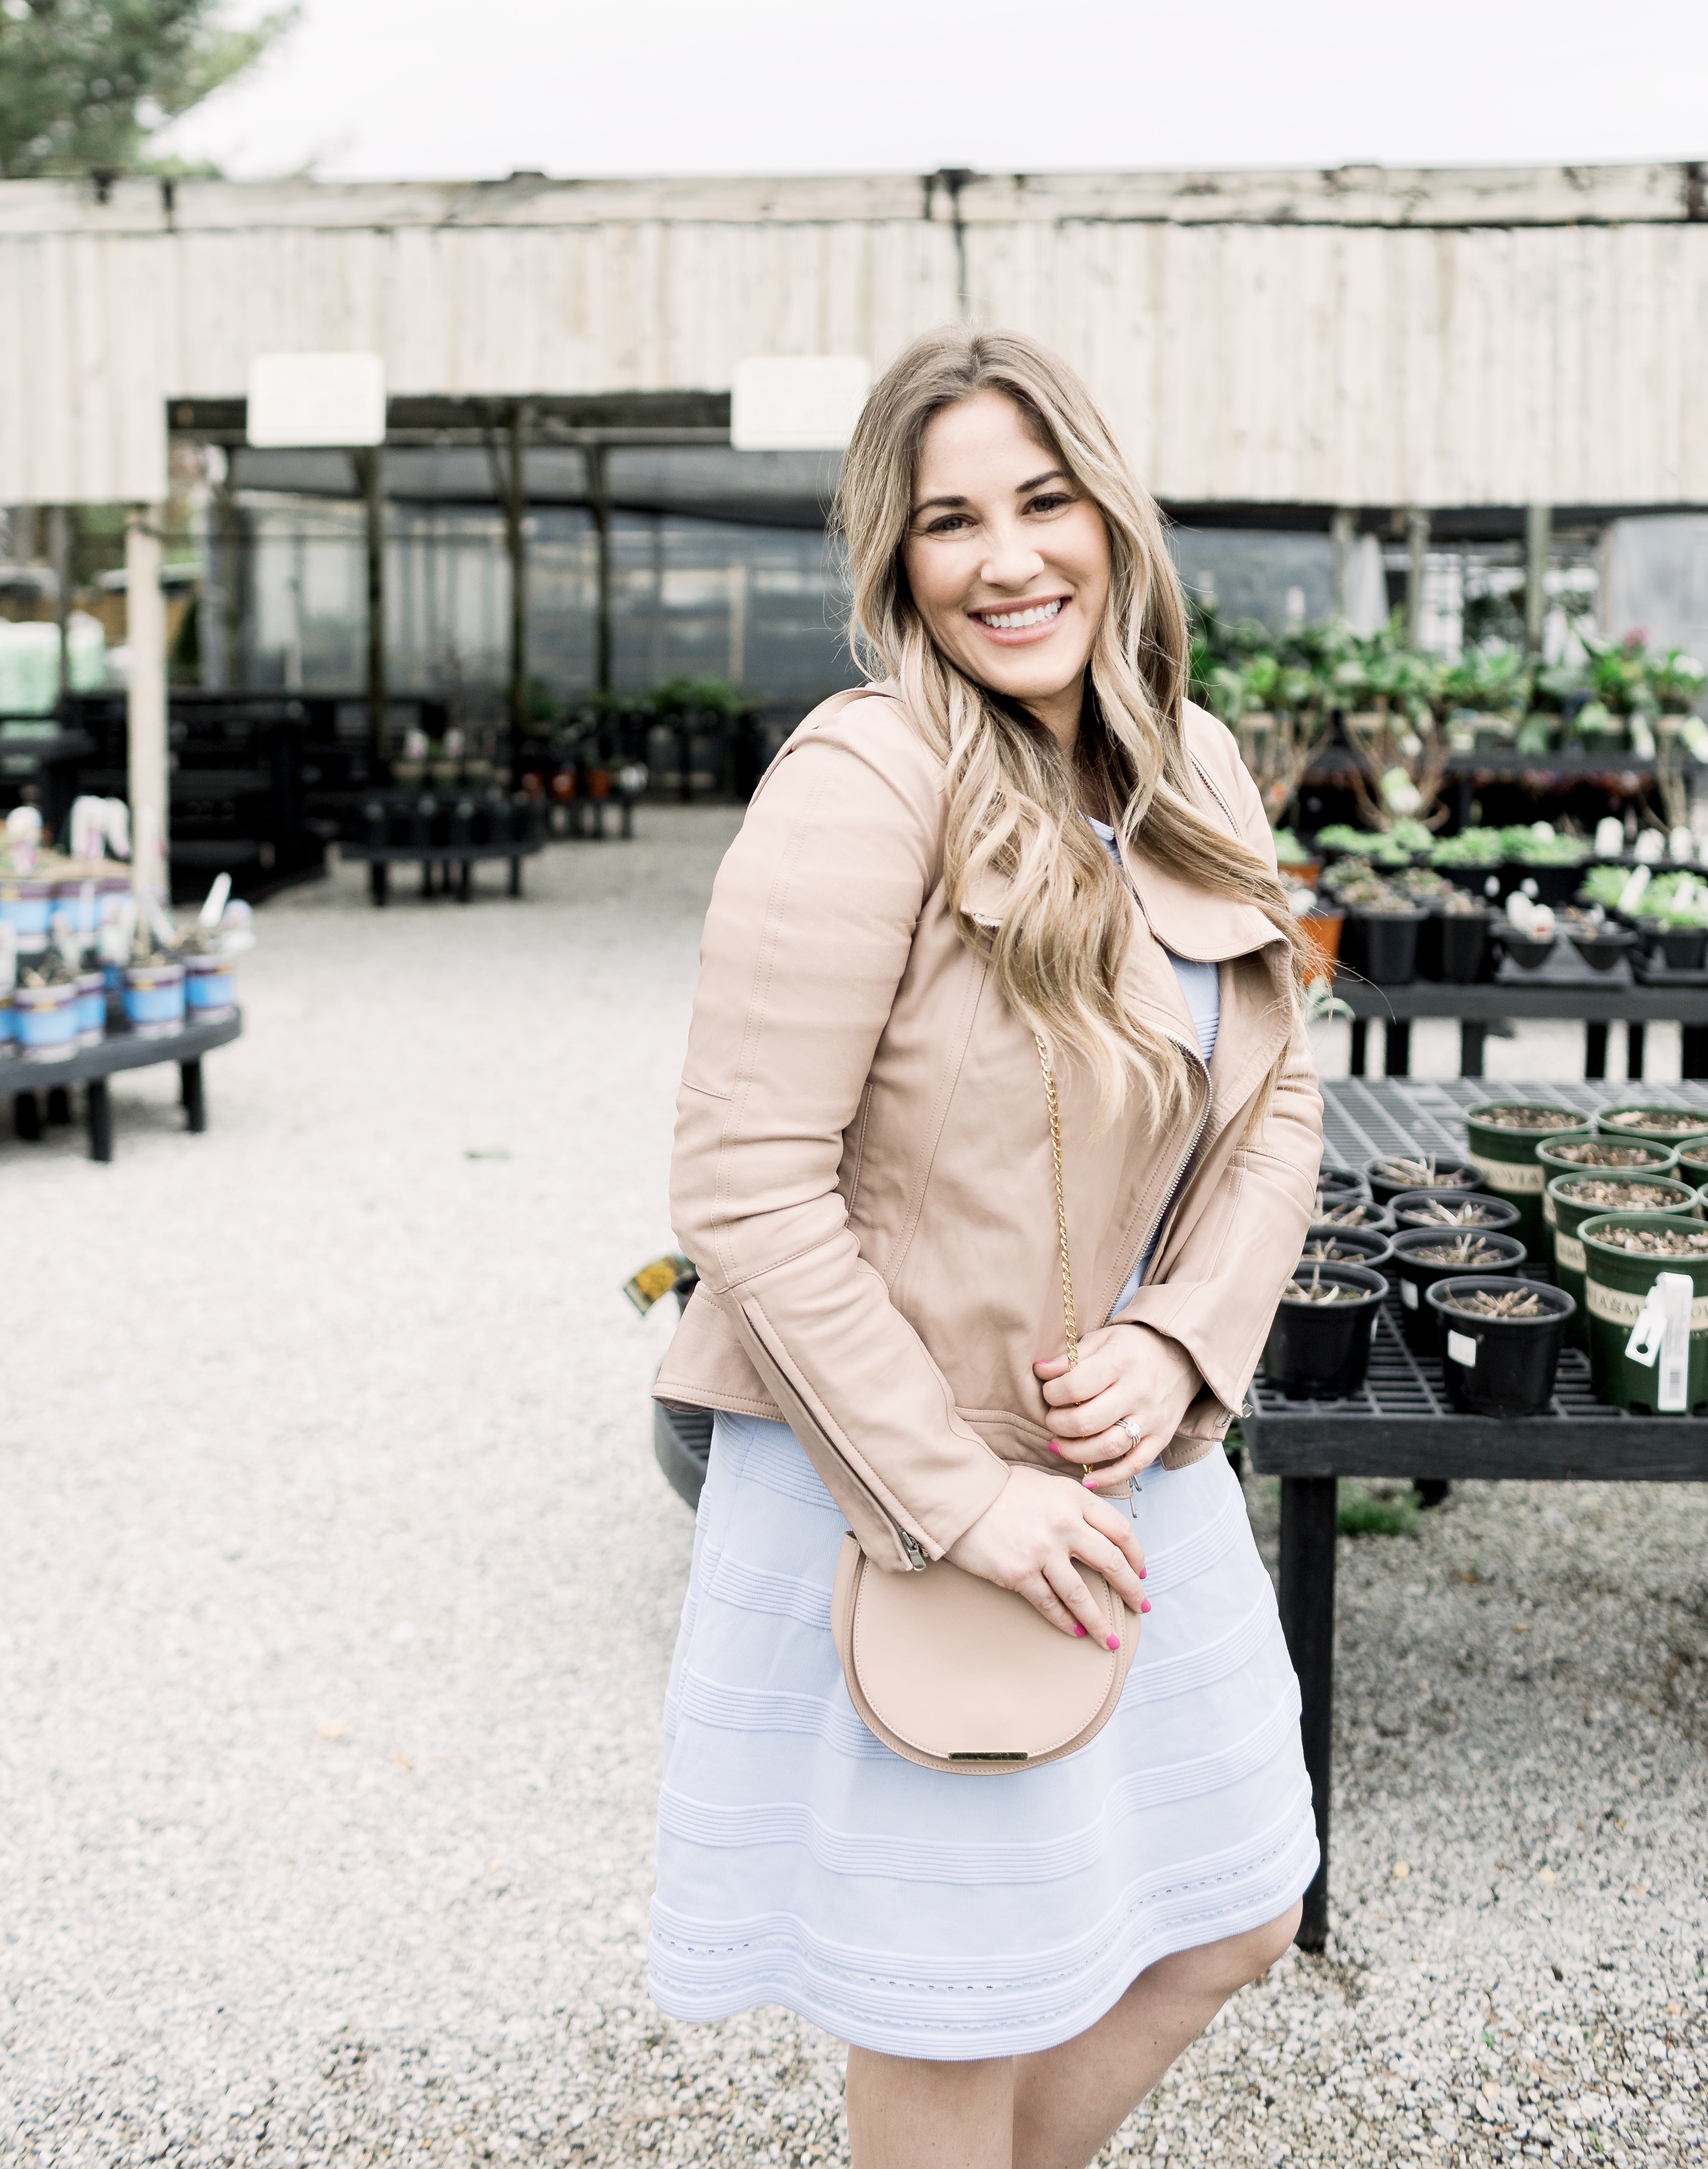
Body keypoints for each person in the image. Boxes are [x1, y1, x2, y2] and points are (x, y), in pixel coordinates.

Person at [649, 328, 1322, 2169]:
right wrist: (961, 1496)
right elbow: (744, 1183)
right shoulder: (868, 777)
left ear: (1114, 514)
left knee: (1234, 1912)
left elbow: (1276, 1106)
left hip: (1124, 1457)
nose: (1009, 557)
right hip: (905, 1481)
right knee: (953, 2013)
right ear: (899, 561)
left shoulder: (1191, 764)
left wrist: (1183, 1343)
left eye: (1043, 501)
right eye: (952, 521)